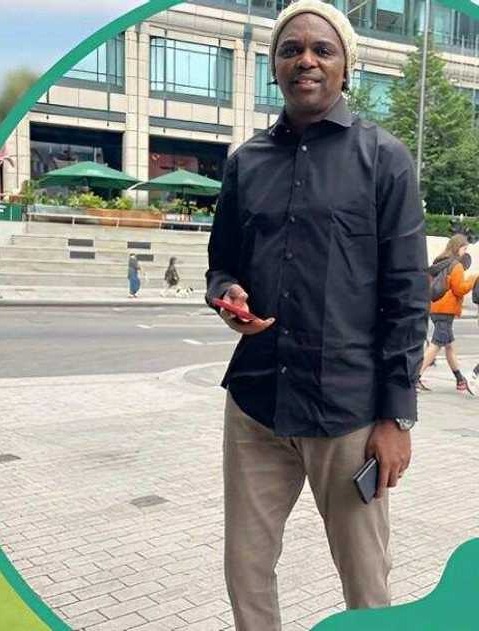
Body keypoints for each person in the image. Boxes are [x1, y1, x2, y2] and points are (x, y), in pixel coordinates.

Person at [205, 2, 427, 629]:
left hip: (348, 412)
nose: (305, 59)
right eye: (291, 48)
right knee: (245, 567)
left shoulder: (384, 159)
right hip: (256, 403)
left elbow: (407, 295)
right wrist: (228, 297)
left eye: (321, 50)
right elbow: (221, 265)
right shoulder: (246, 162)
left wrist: (396, 417)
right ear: (274, 65)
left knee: (365, 577)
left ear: (345, 66)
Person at [418, 235, 479, 393]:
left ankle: (460, 380)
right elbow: (459, 289)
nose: (465, 253)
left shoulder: (441, 261)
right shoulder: (456, 265)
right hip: (446, 309)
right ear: (458, 248)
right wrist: (473, 280)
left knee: (449, 345)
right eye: (464, 249)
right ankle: (415, 377)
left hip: (435, 306)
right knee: (436, 344)